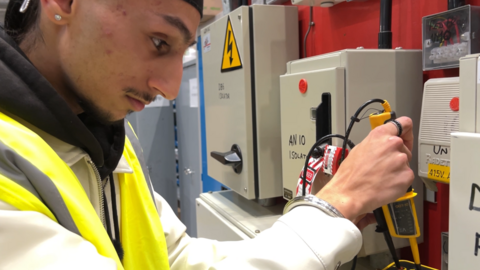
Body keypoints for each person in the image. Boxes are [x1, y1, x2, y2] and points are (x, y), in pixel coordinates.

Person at [0, 0, 415, 269]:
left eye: (182, 53)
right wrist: (337, 203)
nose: (171, 86)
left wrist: (327, 209)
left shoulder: (106, 142)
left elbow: (180, 260)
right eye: (159, 42)